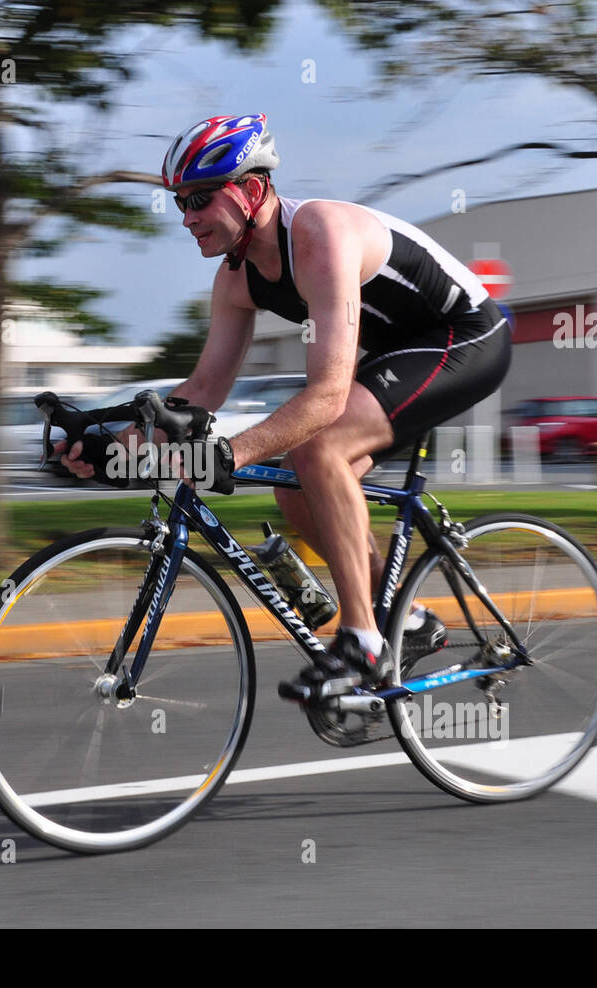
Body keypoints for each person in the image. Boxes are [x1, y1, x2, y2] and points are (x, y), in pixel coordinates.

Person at [61, 113, 512, 701]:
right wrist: (110, 448)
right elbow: (202, 391)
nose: (187, 217)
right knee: (295, 487)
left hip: (466, 338)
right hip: (400, 353)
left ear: (251, 190)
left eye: (199, 199)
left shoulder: (319, 235)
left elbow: (325, 396)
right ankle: (409, 621)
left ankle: (364, 645)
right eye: (179, 204)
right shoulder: (235, 278)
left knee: (319, 444)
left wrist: (231, 453)